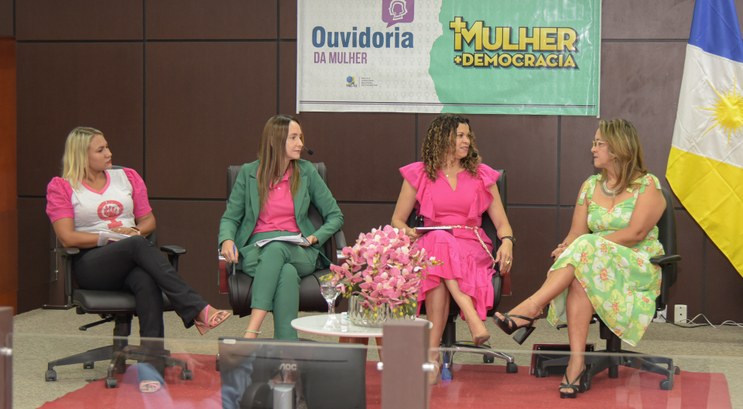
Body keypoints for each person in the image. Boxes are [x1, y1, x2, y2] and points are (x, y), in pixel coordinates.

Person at [494, 118, 666, 399]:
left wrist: (585, 245)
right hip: (594, 264)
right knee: (579, 277)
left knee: (584, 253)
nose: (592, 148)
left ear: (619, 148)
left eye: (599, 143)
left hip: (635, 264)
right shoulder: (589, 186)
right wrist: (567, 247)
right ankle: (576, 362)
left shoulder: (648, 185)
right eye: (594, 142)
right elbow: (576, 233)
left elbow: (636, 233)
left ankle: (530, 309)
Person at [45, 126, 232, 370]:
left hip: (132, 257)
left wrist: (136, 232)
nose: (109, 153)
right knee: (134, 245)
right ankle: (196, 308)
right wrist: (109, 238)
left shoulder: (128, 177)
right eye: (100, 150)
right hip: (92, 264)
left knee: (145, 278)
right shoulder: (62, 186)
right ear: (82, 155)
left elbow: (149, 221)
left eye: (108, 146)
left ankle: (152, 366)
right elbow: (67, 237)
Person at [391, 114, 514, 384]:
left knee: (438, 252)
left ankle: (431, 357)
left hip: (471, 248)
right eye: (460, 135)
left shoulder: (482, 174)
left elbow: (502, 222)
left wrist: (506, 242)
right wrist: (409, 231)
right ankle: (469, 318)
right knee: (438, 243)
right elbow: (397, 220)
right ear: (442, 137)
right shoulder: (419, 173)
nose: (466, 141)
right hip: (432, 247)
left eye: (468, 136)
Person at [218, 115, 343, 340]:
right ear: (275, 142)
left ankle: (251, 332)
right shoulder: (248, 174)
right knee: (286, 272)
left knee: (277, 250)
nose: (300, 144)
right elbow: (231, 218)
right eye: (293, 138)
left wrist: (315, 237)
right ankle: (286, 352)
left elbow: (335, 216)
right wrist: (227, 240)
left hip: (300, 250)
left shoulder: (306, 172)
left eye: (300, 137)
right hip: (256, 250)